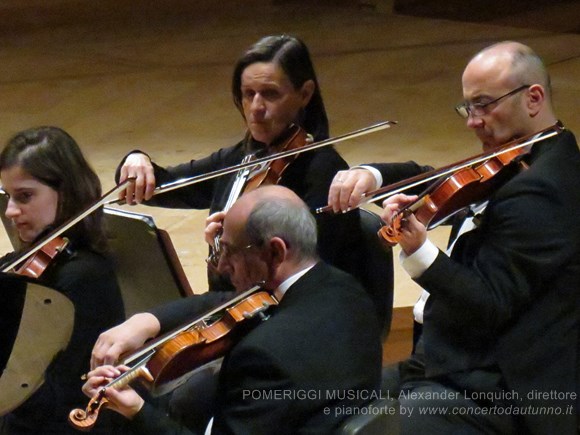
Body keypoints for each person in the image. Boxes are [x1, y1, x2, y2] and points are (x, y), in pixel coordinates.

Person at [334, 41, 580, 433]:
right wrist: (374, 176)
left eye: (484, 105)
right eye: (469, 107)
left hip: (502, 387)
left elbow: (490, 302)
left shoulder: (545, 189)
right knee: (328, 402)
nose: (472, 120)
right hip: (448, 357)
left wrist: (420, 252)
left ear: (533, 98)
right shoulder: (523, 154)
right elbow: (444, 178)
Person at [84, 185, 383, 434]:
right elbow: (232, 301)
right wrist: (148, 321)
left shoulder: (263, 357)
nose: (223, 266)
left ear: (276, 251)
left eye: (230, 251)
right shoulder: (349, 290)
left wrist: (137, 411)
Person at [115, 34, 364, 297]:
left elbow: (309, 275)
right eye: (248, 94)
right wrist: (134, 160)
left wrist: (231, 253)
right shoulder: (240, 159)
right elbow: (159, 186)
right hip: (232, 306)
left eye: (270, 94)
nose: (256, 107)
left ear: (304, 94)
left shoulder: (324, 172)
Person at [0, 126, 126, 434]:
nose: (11, 211)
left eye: (25, 197)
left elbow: (56, 400)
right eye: (8, 197)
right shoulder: (21, 266)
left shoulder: (82, 278)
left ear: (66, 192)